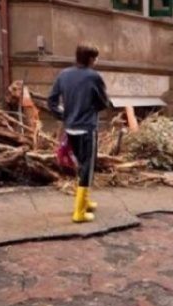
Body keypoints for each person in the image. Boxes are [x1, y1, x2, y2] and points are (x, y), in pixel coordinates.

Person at [48, 43, 110, 223]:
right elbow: (103, 103)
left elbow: (51, 101)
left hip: (70, 128)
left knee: (80, 165)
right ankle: (79, 212)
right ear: (91, 59)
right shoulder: (94, 77)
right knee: (87, 167)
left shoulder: (64, 74)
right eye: (96, 58)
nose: (96, 61)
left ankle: (85, 201)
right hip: (87, 128)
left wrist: (64, 115)